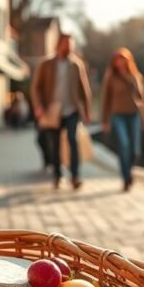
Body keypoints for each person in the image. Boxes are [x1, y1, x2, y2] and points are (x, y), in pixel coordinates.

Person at [30, 34, 93, 189]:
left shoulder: (76, 65)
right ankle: (58, 175)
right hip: (52, 111)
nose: (69, 47)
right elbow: (35, 87)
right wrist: (38, 106)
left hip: (71, 110)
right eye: (66, 43)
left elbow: (84, 89)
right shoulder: (46, 64)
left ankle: (75, 175)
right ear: (58, 45)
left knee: (73, 140)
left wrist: (87, 110)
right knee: (55, 145)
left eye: (71, 44)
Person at [101, 48, 144, 191]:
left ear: (128, 60)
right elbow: (105, 99)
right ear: (114, 62)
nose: (120, 62)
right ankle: (126, 177)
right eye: (118, 59)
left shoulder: (136, 76)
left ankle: (128, 170)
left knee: (135, 151)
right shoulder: (111, 78)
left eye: (123, 59)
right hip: (118, 115)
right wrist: (104, 120)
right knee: (124, 145)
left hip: (134, 114)